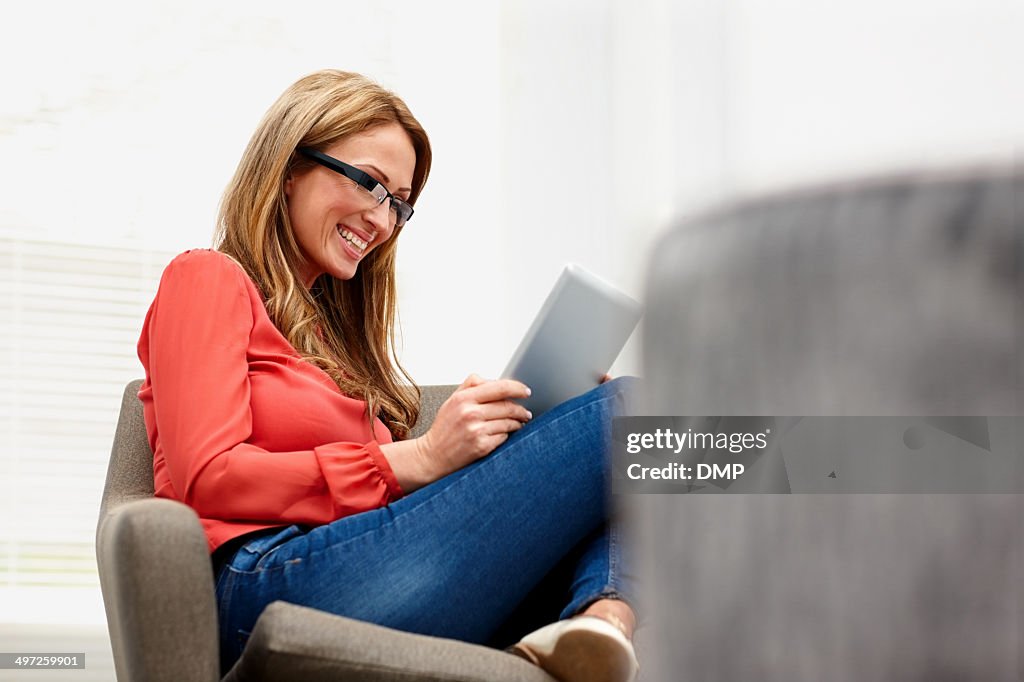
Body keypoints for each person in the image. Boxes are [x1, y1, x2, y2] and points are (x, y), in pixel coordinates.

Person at [137, 69, 639, 682]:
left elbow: (388, 514)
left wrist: (526, 435)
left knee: (639, 466)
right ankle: (789, 464)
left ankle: (601, 627)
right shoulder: (207, 278)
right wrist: (421, 457)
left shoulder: (337, 354)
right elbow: (207, 479)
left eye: (400, 203)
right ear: (289, 167)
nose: (384, 219)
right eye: (371, 184)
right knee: (641, 414)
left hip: (371, 570)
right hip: (267, 581)